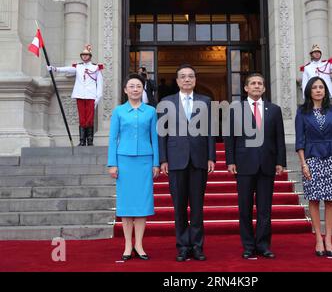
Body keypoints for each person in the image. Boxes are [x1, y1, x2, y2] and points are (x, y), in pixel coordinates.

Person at [224, 73, 287, 260]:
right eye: (253, 83)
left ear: (265, 88)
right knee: (244, 208)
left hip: (267, 165)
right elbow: (230, 138)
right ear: (246, 88)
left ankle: (263, 245)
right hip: (244, 165)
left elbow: (279, 139)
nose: (257, 86)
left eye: (260, 83)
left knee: (265, 209)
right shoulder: (236, 110)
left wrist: (280, 162)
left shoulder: (274, 110)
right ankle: (248, 246)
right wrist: (230, 161)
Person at [158, 64, 216, 262]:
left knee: (198, 207)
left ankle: (198, 246)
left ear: (195, 80)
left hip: (199, 159)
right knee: (180, 207)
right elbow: (161, 133)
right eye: (182, 77)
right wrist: (163, 159)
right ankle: (183, 246)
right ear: (177, 81)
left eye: (190, 76)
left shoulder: (206, 101)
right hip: (175, 160)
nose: (187, 80)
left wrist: (211, 157)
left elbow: (210, 131)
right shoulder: (166, 102)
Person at [107, 73, 160, 261]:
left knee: (142, 205)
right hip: (124, 161)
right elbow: (113, 139)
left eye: (138, 86)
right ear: (125, 90)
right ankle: (128, 245)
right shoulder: (119, 112)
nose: (135, 89)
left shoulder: (151, 111)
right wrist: (112, 163)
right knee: (127, 205)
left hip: (145, 161)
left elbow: (155, 138)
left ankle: (139, 244)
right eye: (131, 86)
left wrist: (156, 163)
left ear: (142, 89)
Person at [295, 76, 332, 258]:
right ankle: (318, 238)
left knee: (331, 200)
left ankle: (329, 239)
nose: (318, 90)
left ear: (325, 91)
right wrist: (303, 164)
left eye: (321, 87)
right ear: (309, 90)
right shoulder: (302, 112)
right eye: (315, 87)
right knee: (314, 199)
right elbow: (299, 140)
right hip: (312, 160)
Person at [47, 44, 103, 146]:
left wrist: (98, 96)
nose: (85, 57)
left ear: (90, 56)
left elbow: (100, 83)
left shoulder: (96, 68)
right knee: (82, 118)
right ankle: (82, 141)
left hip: (91, 96)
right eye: (83, 55)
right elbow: (67, 69)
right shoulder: (78, 67)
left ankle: (90, 141)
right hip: (80, 94)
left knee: (89, 118)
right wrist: (55, 69)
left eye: (86, 55)